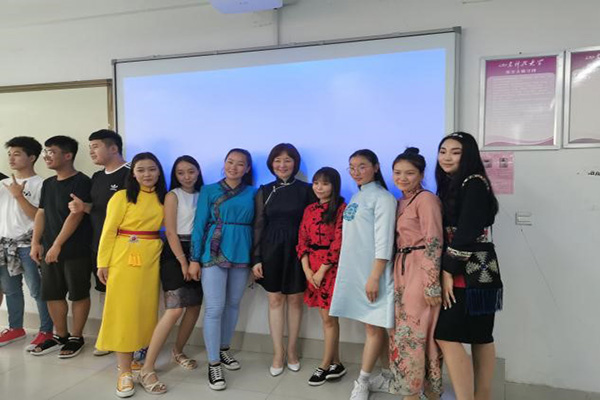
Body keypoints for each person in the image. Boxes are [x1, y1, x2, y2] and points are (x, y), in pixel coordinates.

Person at [433, 132, 502, 400]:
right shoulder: (456, 182)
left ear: (469, 155)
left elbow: (466, 232)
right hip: (483, 268)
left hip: (470, 269)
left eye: (455, 152)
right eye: (443, 151)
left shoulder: (473, 182)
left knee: (447, 334)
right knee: (480, 335)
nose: (447, 157)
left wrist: (447, 270)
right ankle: (481, 396)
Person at [95, 152, 167, 398]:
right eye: (141, 170)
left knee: (145, 311)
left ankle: (136, 358)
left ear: (159, 171)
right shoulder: (122, 196)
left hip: (152, 258)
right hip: (124, 258)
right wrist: (102, 263)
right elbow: (108, 231)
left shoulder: (164, 197)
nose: (147, 174)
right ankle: (124, 371)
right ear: (133, 173)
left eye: (152, 169)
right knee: (124, 312)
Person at [328, 149, 396, 400]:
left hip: (373, 273)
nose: (356, 172)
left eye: (362, 166)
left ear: (376, 167)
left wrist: (375, 276)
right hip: (356, 272)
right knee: (375, 326)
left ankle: (363, 381)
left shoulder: (384, 198)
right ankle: (387, 375)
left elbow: (384, 241)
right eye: (352, 167)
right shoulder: (358, 196)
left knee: (373, 327)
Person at [189, 148, 255, 391]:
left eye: (240, 164)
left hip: (242, 250)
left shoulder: (254, 192)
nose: (233, 167)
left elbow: (258, 225)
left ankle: (224, 348)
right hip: (213, 251)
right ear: (224, 163)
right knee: (214, 308)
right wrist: (194, 258)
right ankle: (213, 362)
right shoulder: (209, 190)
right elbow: (199, 225)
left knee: (233, 304)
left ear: (247, 169)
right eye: (230, 162)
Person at [139, 155, 204, 394]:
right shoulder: (172, 195)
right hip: (175, 253)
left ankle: (178, 351)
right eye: (180, 173)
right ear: (174, 176)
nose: (186, 176)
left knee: (194, 306)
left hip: (197, 251)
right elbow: (171, 232)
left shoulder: (204, 194)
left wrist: (195, 259)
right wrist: (183, 262)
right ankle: (147, 368)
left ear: (198, 172)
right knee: (174, 309)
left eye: (191, 171)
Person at [251, 143, 314, 376]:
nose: (282, 165)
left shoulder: (307, 190)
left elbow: (313, 222)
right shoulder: (265, 190)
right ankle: (278, 353)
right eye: (277, 160)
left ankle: (292, 351)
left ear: (295, 163)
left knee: (296, 300)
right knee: (275, 300)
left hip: (298, 250)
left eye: (287, 160)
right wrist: (256, 258)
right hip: (271, 249)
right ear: (271, 164)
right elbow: (258, 225)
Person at [387, 147, 443, 399]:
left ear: (421, 174)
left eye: (409, 173)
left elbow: (434, 241)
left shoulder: (426, 199)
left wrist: (431, 283)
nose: (402, 178)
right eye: (397, 172)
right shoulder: (399, 201)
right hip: (402, 268)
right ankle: (412, 389)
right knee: (403, 331)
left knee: (415, 332)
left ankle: (416, 392)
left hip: (419, 268)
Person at [68, 129, 130, 357]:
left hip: (123, 246)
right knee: (105, 291)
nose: (91, 151)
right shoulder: (97, 177)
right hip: (99, 245)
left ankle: (128, 339)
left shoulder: (131, 174)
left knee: (124, 293)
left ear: (113, 148)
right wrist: (83, 207)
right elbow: (98, 209)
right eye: (90, 147)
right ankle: (110, 337)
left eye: (95, 146)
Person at [30, 136, 92, 358]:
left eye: (51, 152)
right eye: (45, 152)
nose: (46, 156)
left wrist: (57, 244)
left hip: (76, 249)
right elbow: (41, 213)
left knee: (78, 293)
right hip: (49, 249)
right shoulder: (48, 183)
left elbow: (76, 215)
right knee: (52, 293)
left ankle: (77, 337)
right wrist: (36, 242)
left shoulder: (82, 181)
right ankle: (61, 335)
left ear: (68, 155)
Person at [0, 137, 53, 349]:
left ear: (32, 157)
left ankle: (46, 331)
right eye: (9, 154)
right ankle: (16, 328)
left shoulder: (42, 184)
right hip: (5, 245)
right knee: (10, 289)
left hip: (29, 245)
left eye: (17, 154)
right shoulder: (3, 183)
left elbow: (39, 216)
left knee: (38, 290)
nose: (11, 158)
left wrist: (19, 196)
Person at [296, 167, 347, 386]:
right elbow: (302, 240)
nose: (319, 187)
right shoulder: (309, 209)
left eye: (325, 183)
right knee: (325, 318)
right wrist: (308, 270)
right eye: (316, 183)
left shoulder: (342, 209)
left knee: (329, 319)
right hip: (311, 267)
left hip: (330, 269)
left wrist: (321, 271)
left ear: (334, 186)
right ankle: (337, 363)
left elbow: (338, 242)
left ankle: (325, 365)